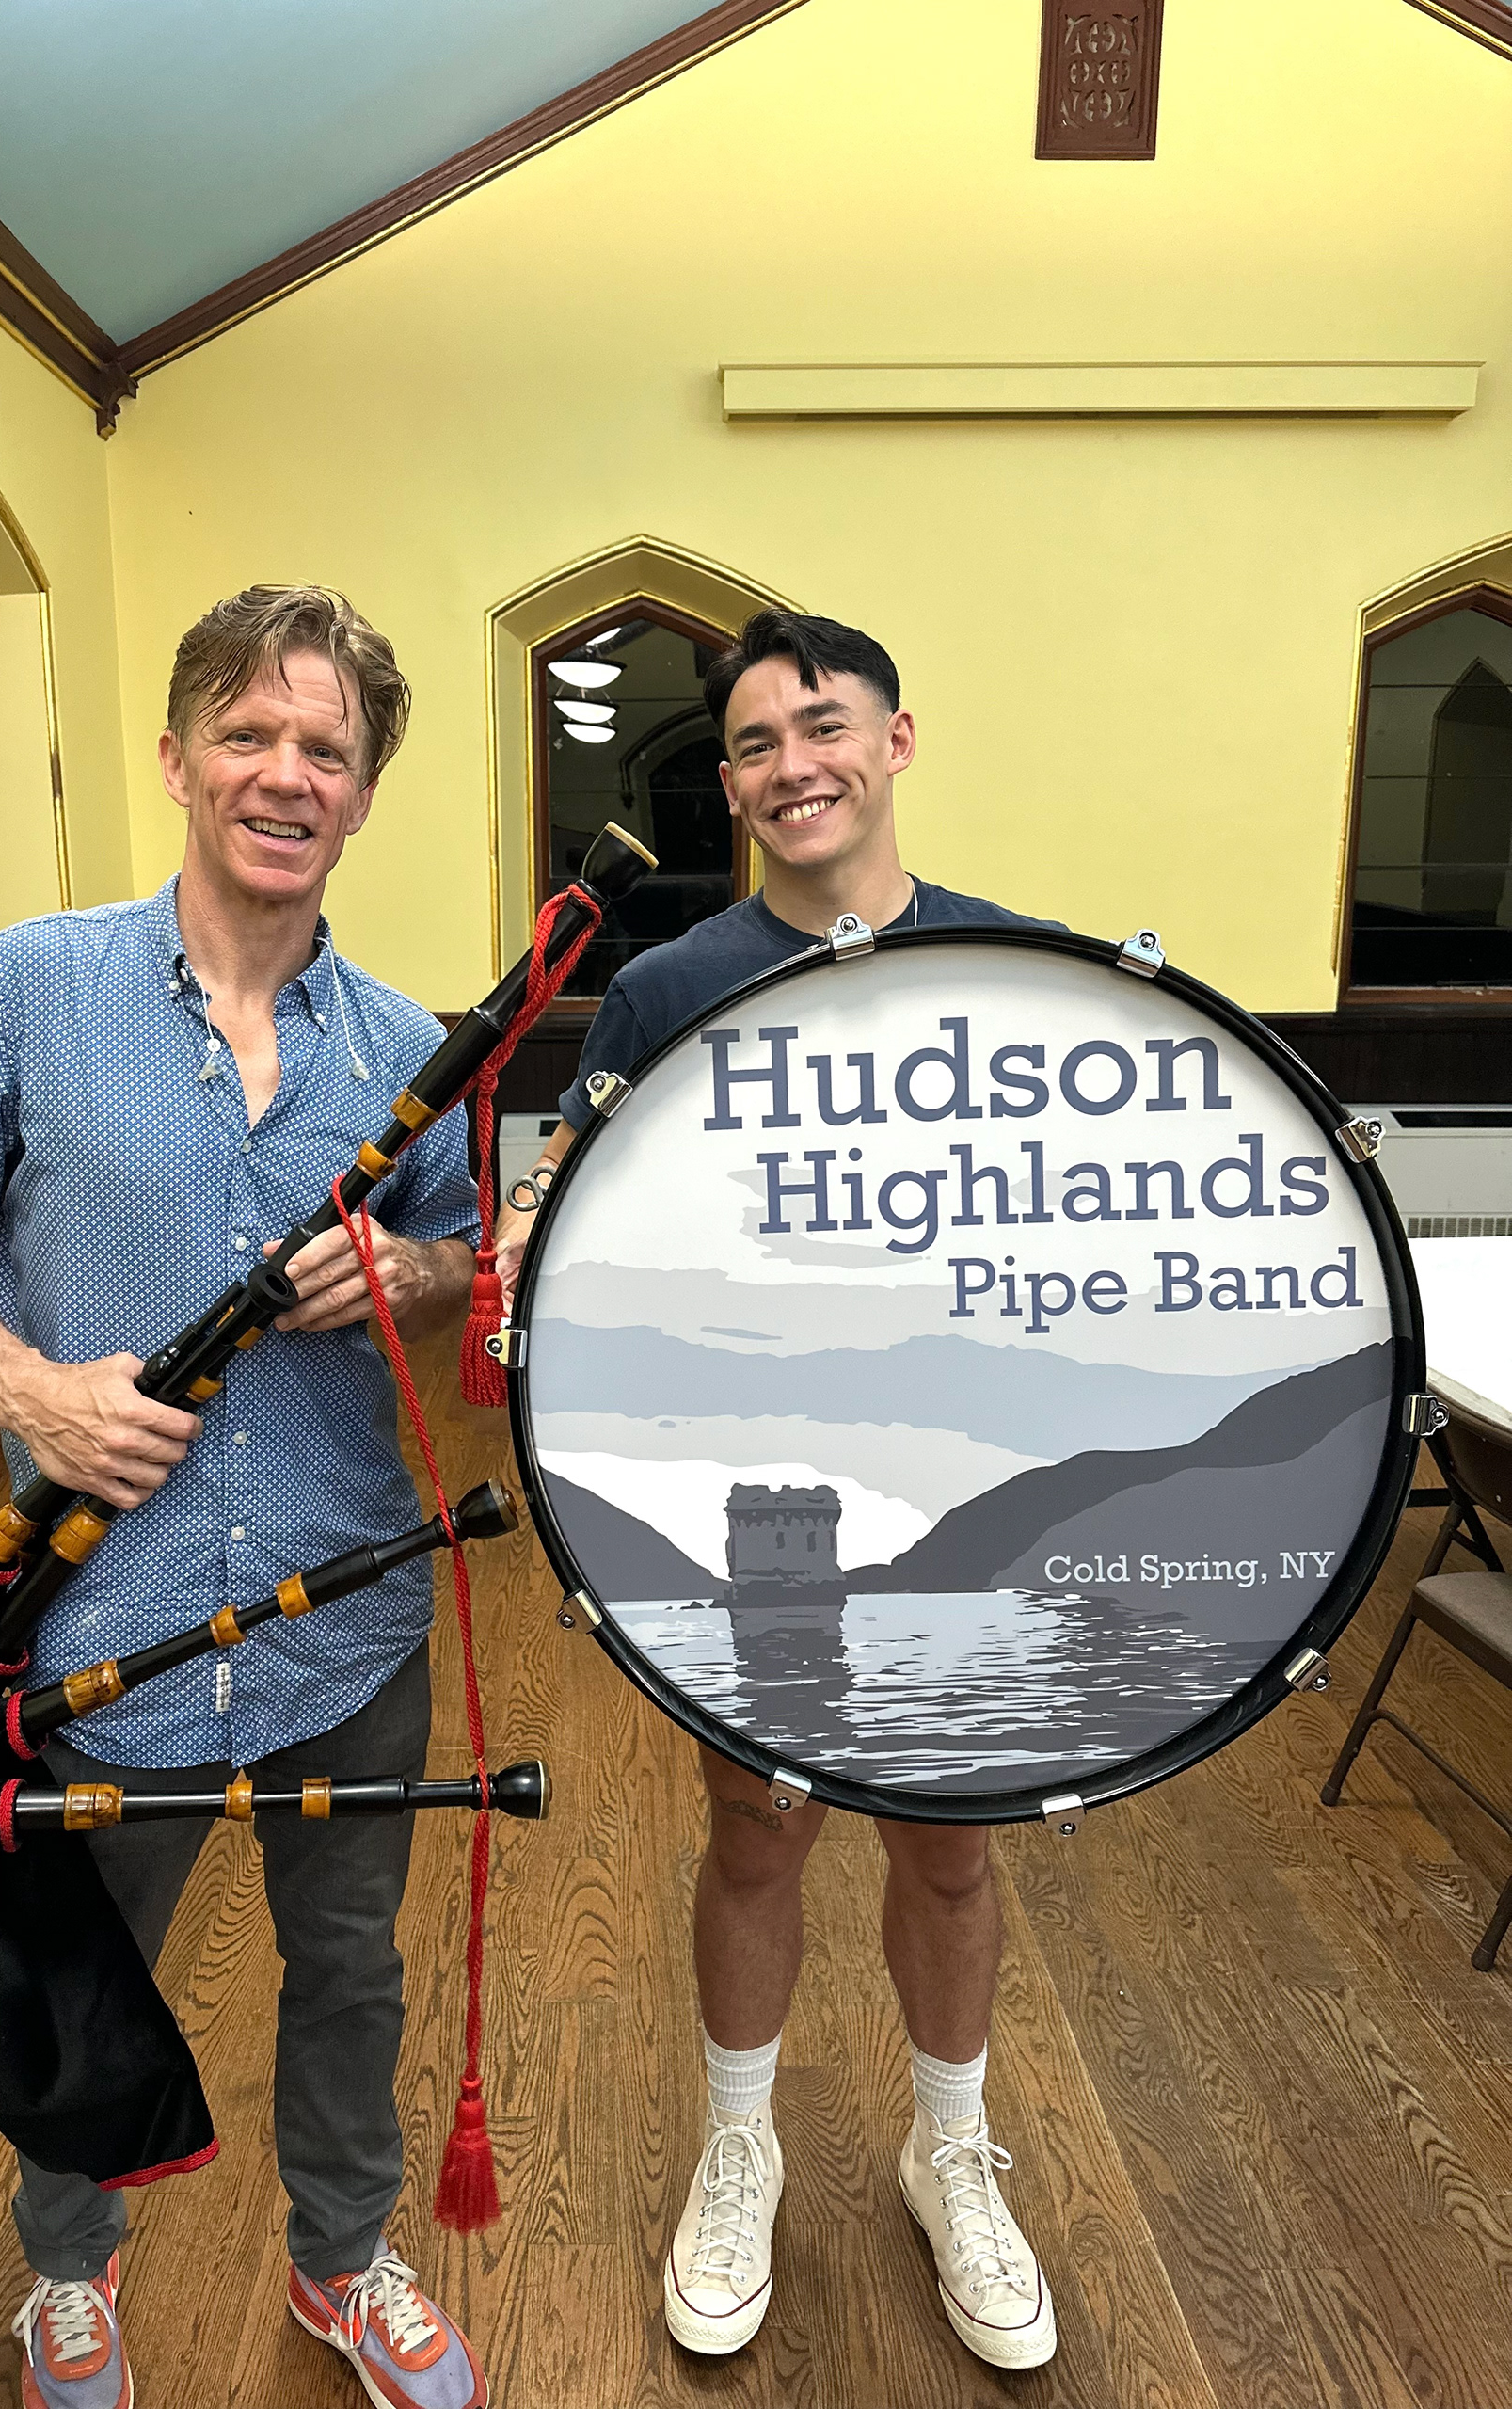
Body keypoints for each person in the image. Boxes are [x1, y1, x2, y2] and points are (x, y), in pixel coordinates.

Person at [0, 587, 489, 2409]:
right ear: (179, 756)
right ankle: (70, 2272)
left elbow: (458, 1268)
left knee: (348, 1965)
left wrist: (411, 1280)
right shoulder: (28, 990)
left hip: (346, 1616)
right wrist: (30, 1387)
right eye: (251, 734)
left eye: (327, 748)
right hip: (100, 1625)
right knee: (70, 1965)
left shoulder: (405, 1047)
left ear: (363, 794)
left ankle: (342, 2258)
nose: (288, 772)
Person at [497, 609, 1062, 2373]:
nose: (790, 765)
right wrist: (534, 1251)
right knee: (756, 1819)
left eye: (821, 725)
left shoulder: (1033, 974)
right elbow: (581, 1231)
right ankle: (738, 2143)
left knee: (952, 1838)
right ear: (729, 785)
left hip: (976, 1479)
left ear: (898, 740)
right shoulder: (669, 989)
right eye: (751, 745)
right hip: (759, 1484)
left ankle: (945, 2149)